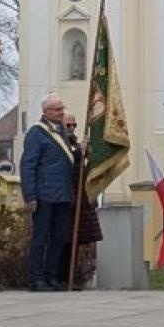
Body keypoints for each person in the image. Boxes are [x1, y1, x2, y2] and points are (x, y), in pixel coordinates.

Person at [20, 94, 76, 291]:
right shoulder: (37, 133)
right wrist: (30, 195)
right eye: (57, 109)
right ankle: (36, 278)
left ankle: (52, 276)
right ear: (46, 112)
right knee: (41, 238)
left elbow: (66, 159)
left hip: (63, 194)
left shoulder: (62, 133)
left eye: (62, 108)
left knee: (59, 237)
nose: (61, 112)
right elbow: (28, 165)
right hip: (44, 195)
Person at [63, 110, 103, 287]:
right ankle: (64, 277)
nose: (71, 129)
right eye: (68, 125)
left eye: (74, 125)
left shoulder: (74, 144)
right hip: (68, 200)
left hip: (81, 200)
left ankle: (75, 277)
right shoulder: (62, 144)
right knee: (65, 242)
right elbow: (68, 163)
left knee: (78, 242)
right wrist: (80, 151)